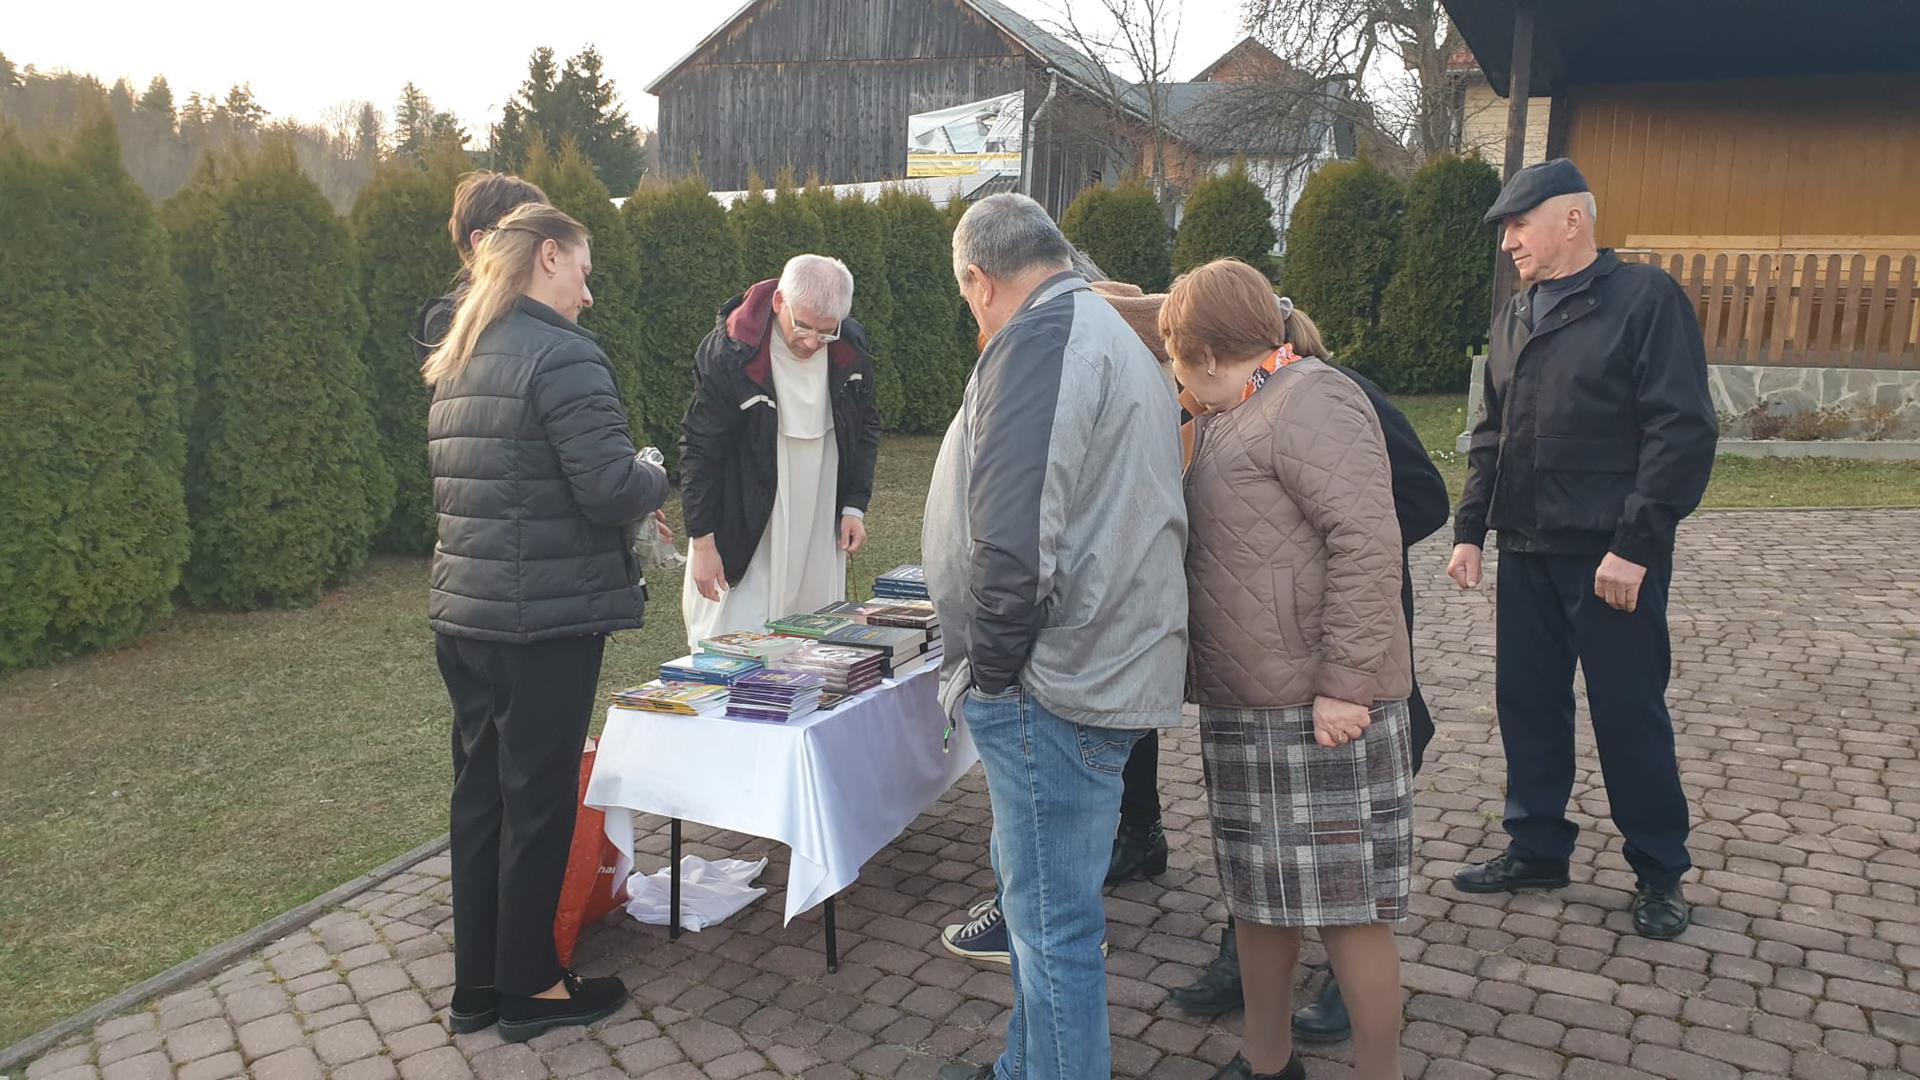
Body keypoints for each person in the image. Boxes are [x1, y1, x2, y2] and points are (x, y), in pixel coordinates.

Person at [925, 195, 1188, 1080]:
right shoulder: (1100, 328)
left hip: (1057, 680)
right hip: (1092, 662)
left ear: (979, 278)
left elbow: (1013, 540)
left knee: (1052, 927)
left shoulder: (1042, 338)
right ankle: (1023, 1066)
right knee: (1039, 916)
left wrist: (995, 676)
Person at [1447, 158, 1716, 939]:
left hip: (1610, 556)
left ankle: (1659, 869)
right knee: (1527, 704)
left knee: (1628, 711)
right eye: (1504, 229)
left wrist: (1636, 544)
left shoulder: (1644, 299)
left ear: (1572, 218)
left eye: (1518, 225)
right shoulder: (1516, 314)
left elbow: (1680, 429)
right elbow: (1492, 432)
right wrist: (1470, 530)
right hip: (1526, 546)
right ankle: (1536, 847)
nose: (1508, 242)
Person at [1169, 299, 1451, 1042]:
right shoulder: (1230, 411)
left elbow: (1371, 537)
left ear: (1205, 352)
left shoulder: (1318, 397)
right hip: (1251, 697)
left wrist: (1344, 682)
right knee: (1260, 895)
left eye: (1175, 356)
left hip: (1321, 697)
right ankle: (1267, 1055)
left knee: (1346, 903)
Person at [423, 202, 670, 1042]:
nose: (589, 295)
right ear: (551, 256)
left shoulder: (463, 350)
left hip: (467, 616)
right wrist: (653, 472)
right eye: (585, 273)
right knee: (536, 804)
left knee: (480, 799)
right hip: (543, 622)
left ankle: (476, 989)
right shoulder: (562, 355)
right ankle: (531, 988)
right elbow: (608, 488)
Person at [679, 254, 882, 646]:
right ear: (778, 303)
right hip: (746, 516)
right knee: (737, 638)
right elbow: (700, 449)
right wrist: (703, 542)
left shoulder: (850, 346)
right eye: (802, 327)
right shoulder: (731, 353)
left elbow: (865, 427)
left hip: (818, 510)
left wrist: (854, 506)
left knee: (816, 637)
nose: (812, 343)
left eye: (826, 333)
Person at [413, 170, 551, 359]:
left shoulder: (540, 303)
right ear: (481, 242)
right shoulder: (448, 318)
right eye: (528, 238)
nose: (544, 251)